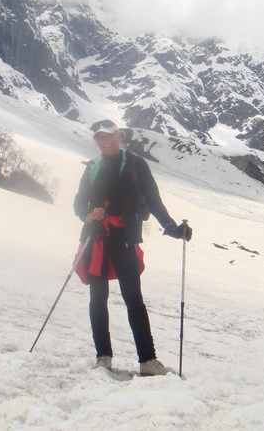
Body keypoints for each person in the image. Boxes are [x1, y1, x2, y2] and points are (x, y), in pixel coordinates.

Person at [73, 119, 192, 376]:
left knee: (133, 299)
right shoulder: (92, 167)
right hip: (97, 237)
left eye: (109, 135)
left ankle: (147, 360)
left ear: (119, 135)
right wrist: (88, 215)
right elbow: (79, 203)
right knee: (97, 299)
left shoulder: (136, 164)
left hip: (124, 238)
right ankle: (103, 357)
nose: (105, 141)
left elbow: (153, 200)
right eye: (99, 137)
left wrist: (172, 227)